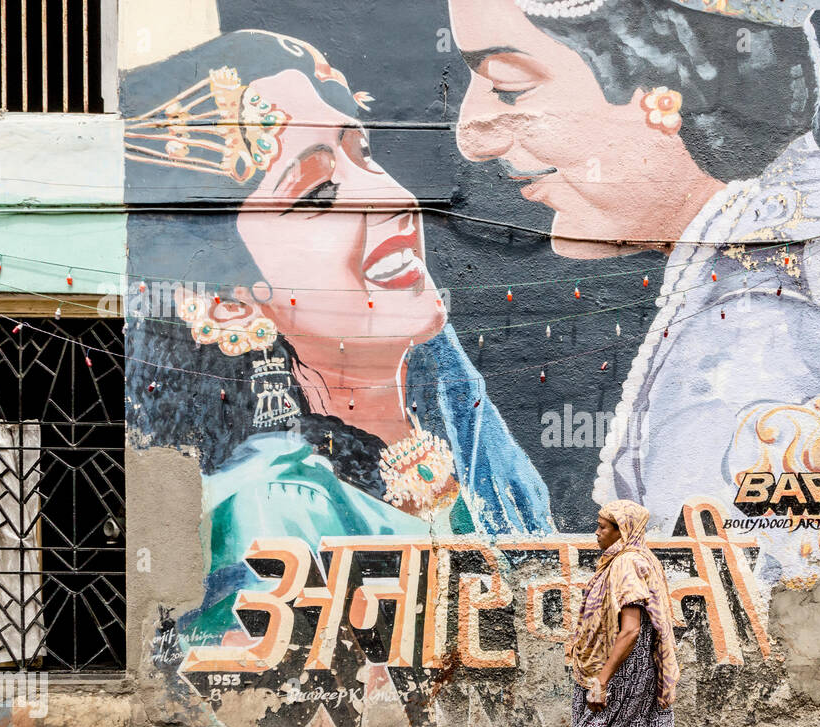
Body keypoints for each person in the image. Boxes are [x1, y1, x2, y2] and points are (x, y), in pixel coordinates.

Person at [122, 30, 555, 643]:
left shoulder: (463, 428)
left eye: (367, 154)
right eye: (319, 194)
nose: (391, 198)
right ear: (227, 301)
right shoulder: (277, 501)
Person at [450, 0, 820, 590]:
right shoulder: (793, 255)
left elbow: (728, 630)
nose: (468, 137)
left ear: (671, 85)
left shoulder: (755, 338)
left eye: (508, 86)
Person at [510, 499, 707, 727]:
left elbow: (630, 630)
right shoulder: (641, 558)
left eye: (604, 527)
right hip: (644, 670)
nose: (596, 532)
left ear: (623, 530)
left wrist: (602, 680)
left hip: (623, 672)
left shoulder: (627, 564)